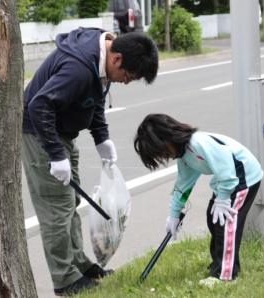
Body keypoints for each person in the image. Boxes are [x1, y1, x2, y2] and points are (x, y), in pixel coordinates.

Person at [21, 27, 159, 296]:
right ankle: (65, 280)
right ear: (117, 59)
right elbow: (39, 106)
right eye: (128, 77)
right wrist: (55, 154)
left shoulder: (103, 57)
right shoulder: (79, 68)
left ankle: (78, 263)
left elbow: (95, 98)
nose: (126, 82)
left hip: (62, 133)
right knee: (56, 209)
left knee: (70, 203)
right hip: (40, 135)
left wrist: (101, 138)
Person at [133, 113, 263, 285]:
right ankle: (219, 264)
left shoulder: (198, 144)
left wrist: (223, 198)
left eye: (162, 151)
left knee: (226, 223)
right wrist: (174, 214)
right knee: (213, 218)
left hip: (242, 177)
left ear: (167, 138)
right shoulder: (185, 155)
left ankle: (224, 275)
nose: (165, 156)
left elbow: (227, 167)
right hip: (226, 180)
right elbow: (183, 185)